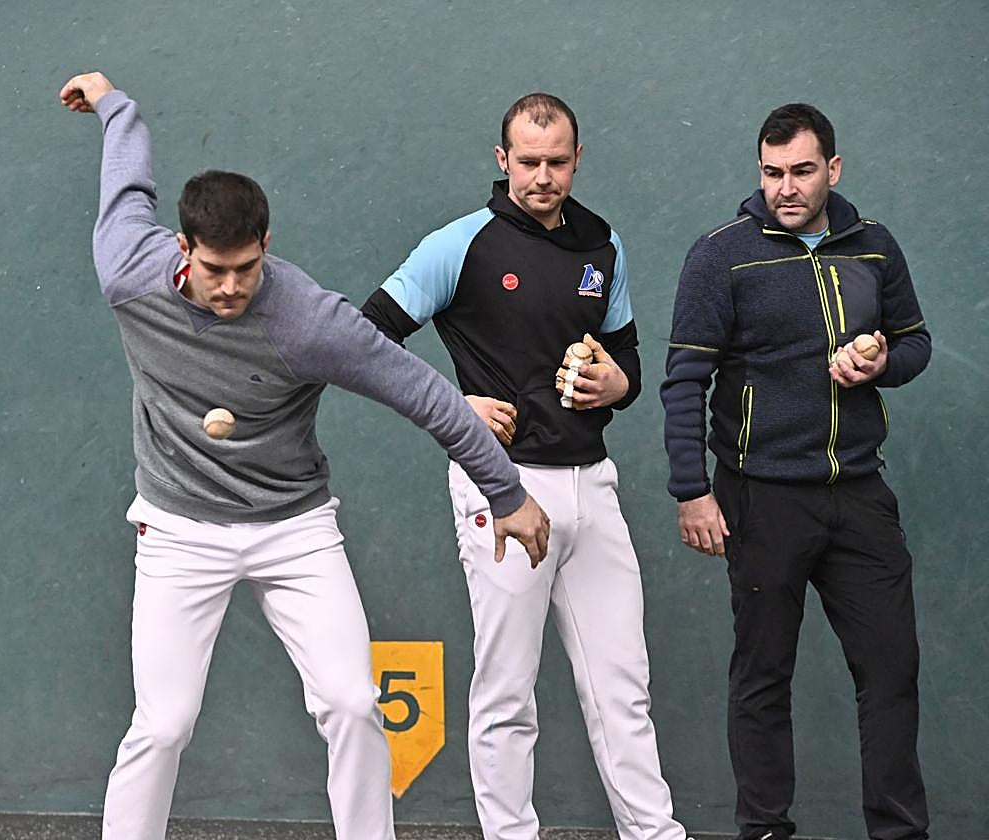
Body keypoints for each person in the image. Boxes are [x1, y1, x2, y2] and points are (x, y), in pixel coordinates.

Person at [57, 71, 551, 840]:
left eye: (246, 269)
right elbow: (127, 188)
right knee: (162, 724)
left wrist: (507, 493)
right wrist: (115, 105)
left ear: (268, 246)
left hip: (294, 527)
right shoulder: (129, 271)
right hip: (179, 528)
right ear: (182, 248)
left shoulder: (308, 320)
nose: (230, 288)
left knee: (354, 703)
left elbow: (423, 394)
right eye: (214, 270)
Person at [362, 93, 689, 840]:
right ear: (502, 159)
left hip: (592, 485)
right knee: (508, 690)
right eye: (529, 161)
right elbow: (364, 339)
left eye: (558, 162)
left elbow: (626, 353)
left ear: (578, 159)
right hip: (502, 487)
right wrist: (453, 404)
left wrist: (620, 383)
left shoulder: (603, 245)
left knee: (623, 686)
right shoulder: (460, 244)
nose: (543, 176)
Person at [660, 103, 930, 840]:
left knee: (891, 673)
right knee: (762, 678)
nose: (787, 187)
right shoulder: (721, 255)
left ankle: (901, 832)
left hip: (861, 496)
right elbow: (685, 381)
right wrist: (692, 490)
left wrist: (879, 362)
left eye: (802, 171)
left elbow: (914, 344)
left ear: (832, 170)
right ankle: (766, 831)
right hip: (761, 499)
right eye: (773, 173)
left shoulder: (873, 247)